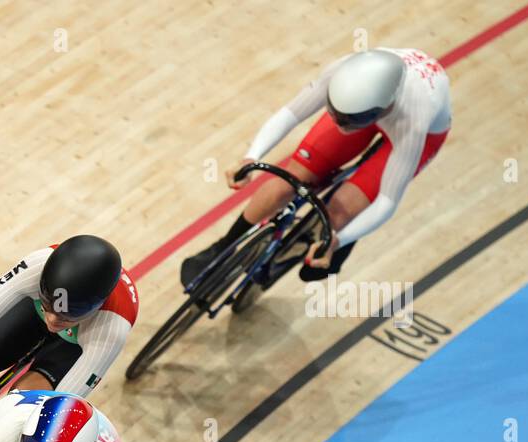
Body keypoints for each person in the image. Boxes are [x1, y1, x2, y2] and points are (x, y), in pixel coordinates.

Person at [179, 48, 450, 288]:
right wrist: (252, 157)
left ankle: (328, 243)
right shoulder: (341, 75)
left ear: (382, 108)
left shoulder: (414, 119)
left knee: (341, 210)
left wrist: (338, 241)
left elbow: (387, 201)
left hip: (418, 134)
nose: (342, 124)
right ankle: (223, 248)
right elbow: (290, 114)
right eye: (336, 113)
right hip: (368, 108)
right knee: (287, 181)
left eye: (350, 119)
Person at [0, 236, 138, 411]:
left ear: (94, 309)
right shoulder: (37, 264)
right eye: (48, 306)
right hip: (30, 316)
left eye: (64, 318)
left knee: (16, 411)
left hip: (73, 347)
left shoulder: (112, 328)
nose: (52, 321)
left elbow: (63, 404)